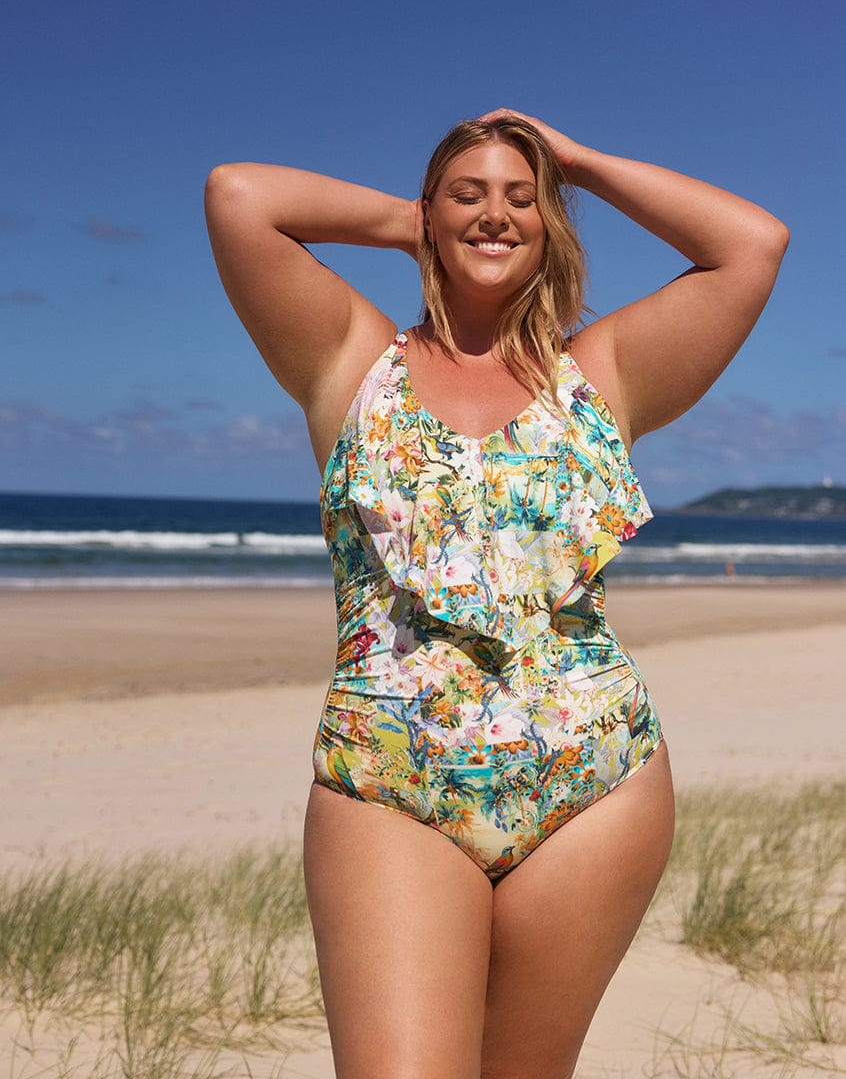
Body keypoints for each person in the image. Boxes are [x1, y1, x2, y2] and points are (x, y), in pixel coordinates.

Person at [205, 110, 788, 1079]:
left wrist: (583, 165)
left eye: (522, 200)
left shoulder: (602, 377)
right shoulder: (349, 361)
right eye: (468, 194)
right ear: (432, 211)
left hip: (595, 786)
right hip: (390, 785)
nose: (496, 215)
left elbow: (750, 245)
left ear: (553, 224)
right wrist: (418, 222)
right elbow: (239, 196)